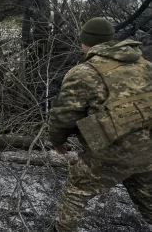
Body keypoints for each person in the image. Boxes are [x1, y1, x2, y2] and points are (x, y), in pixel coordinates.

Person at [48, 17, 152, 232]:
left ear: (86, 43)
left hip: (110, 152)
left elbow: (63, 116)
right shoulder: (145, 64)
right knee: (148, 197)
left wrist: (58, 142)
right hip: (148, 148)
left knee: (75, 191)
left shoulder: (83, 73)